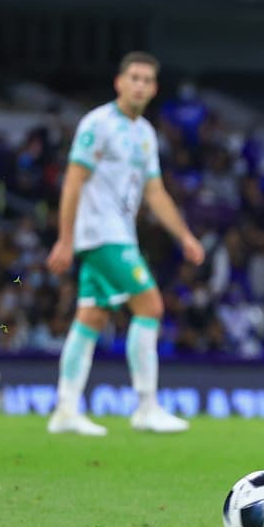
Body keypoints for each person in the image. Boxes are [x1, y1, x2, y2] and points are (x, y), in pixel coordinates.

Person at [45, 51, 205, 435]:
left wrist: (184, 236)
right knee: (151, 305)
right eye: (134, 77)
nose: (139, 85)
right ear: (119, 82)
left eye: (146, 80)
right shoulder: (97, 124)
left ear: (154, 89)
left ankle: (65, 410)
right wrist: (65, 239)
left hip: (117, 233)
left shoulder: (145, 134)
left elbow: (155, 193)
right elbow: (73, 182)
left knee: (92, 317)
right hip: (102, 234)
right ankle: (146, 406)